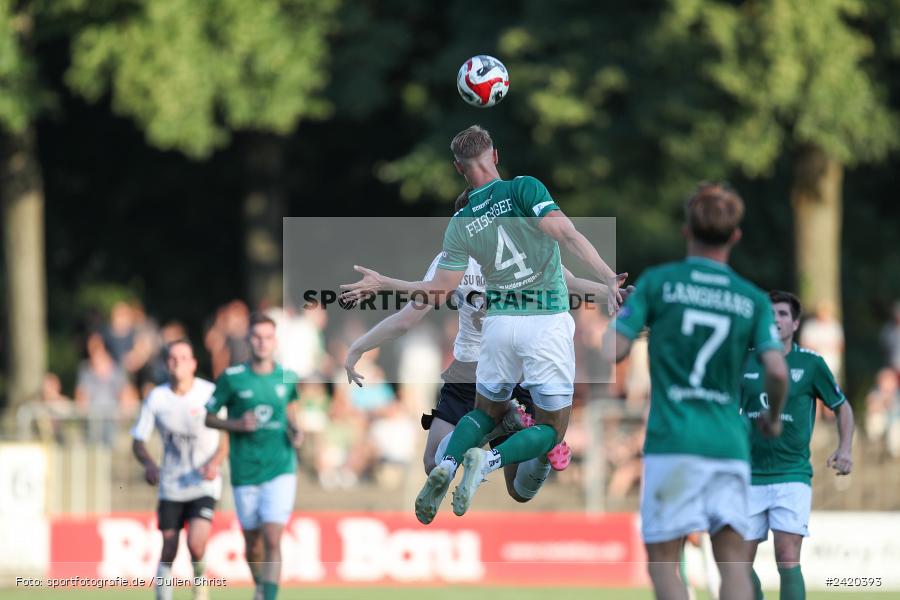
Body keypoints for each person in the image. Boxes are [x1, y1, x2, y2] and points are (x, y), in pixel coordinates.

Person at [342, 125, 623, 524]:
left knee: (438, 456)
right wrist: (608, 283)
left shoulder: (460, 231)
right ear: (496, 155)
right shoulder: (524, 196)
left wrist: (375, 306)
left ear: (460, 172)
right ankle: (511, 449)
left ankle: (465, 453)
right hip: (538, 333)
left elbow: (419, 307)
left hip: (488, 345)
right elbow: (567, 257)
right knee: (530, 472)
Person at [603, 182, 788, 600]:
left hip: (673, 444)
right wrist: (773, 418)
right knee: (733, 567)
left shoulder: (659, 284)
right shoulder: (752, 299)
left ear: (686, 231)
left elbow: (612, 349)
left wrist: (630, 315)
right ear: (735, 236)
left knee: (665, 565)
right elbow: (777, 370)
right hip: (728, 444)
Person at [742, 290, 855, 600]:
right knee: (736, 563)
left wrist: (844, 449)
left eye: (782, 314)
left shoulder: (811, 363)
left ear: (795, 323)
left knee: (787, 555)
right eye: (770, 314)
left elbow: (842, 406)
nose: (775, 319)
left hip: (791, 474)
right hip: (748, 474)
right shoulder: (745, 359)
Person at [205, 313, 303, 600]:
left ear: (275, 342)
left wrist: (296, 432)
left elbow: (292, 413)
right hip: (245, 469)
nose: (262, 343)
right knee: (253, 543)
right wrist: (236, 424)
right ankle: (260, 586)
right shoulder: (232, 378)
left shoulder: (287, 377)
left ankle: (267, 596)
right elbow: (208, 417)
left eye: (268, 337)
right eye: (257, 337)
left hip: (281, 466)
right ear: (249, 341)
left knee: (273, 537)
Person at [131, 339, 227, 600]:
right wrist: (150, 464)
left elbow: (225, 437)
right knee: (169, 546)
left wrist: (215, 463)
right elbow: (138, 440)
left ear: (194, 364)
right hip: (171, 484)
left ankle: (200, 589)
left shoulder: (209, 393)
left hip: (203, 481)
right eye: (173, 358)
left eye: (183, 358)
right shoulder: (157, 397)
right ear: (166, 364)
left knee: (197, 544)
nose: (178, 363)